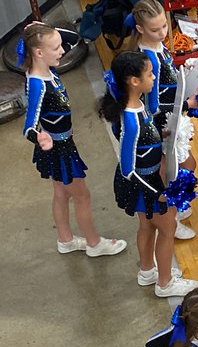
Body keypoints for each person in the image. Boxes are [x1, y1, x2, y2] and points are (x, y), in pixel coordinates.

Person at [21, 21, 127, 259]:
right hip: (59, 148)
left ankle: (66, 240)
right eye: (56, 48)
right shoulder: (38, 84)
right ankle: (94, 243)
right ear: (39, 52)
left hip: (62, 144)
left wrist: (44, 27)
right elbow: (29, 125)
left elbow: (72, 38)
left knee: (61, 192)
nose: (62, 51)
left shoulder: (47, 69)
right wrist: (39, 138)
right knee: (82, 196)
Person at [99, 50, 198, 298]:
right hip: (146, 184)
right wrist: (159, 193)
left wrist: (161, 136)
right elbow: (128, 168)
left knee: (146, 226)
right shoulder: (131, 120)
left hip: (148, 181)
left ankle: (147, 271)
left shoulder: (138, 106)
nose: (154, 77)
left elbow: (144, 141)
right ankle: (165, 283)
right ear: (134, 81)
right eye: (150, 74)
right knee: (167, 230)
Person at [130, 0, 198, 240]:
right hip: (160, 126)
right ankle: (171, 220)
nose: (162, 32)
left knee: (184, 167)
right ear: (140, 29)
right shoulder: (147, 60)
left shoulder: (160, 48)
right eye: (155, 29)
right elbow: (153, 105)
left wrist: (187, 74)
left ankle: (174, 212)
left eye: (164, 26)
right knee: (173, 174)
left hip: (172, 120)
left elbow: (168, 83)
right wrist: (187, 104)